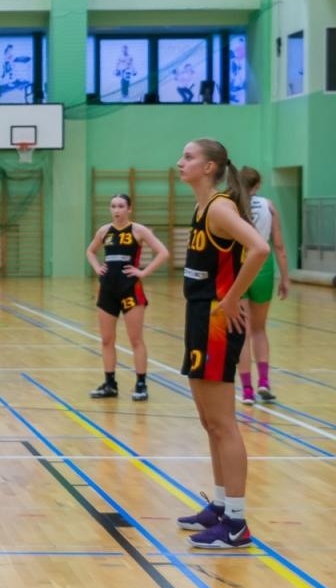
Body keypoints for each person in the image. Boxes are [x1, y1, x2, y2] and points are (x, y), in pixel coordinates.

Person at [173, 138, 269, 550]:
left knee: (224, 423)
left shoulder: (220, 208)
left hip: (215, 321)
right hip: (200, 316)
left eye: (189, 157)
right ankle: (219, 505)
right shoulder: (202, 207)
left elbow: (259, 248)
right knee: (209, 422)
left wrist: (231, 299)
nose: (181, 162)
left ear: (210, 167)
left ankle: (236, 523)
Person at [85, 194, 170, 401]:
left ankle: (141, 384)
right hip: (107, 290)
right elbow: (90, 251)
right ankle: (109, 384)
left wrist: (143, 272)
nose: (116, 210)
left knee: (135, 339)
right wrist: (98, 268)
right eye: (113, 206)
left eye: (121, 206)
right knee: (107, 340)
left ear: (129, 209)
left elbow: (163, 252)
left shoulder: (138, 230)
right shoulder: (104, 231)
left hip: (130, 289)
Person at [239, 167, 292, 405]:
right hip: (263, 267)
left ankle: (247, 391)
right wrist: (285, 277)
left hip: (239, 267)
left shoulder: (230, 204)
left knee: (243, 333)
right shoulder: (269, 205)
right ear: (258, 185)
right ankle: (264, 382)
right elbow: (279, 246)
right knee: (259, 329)